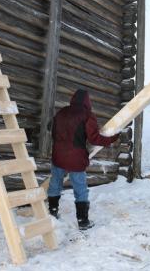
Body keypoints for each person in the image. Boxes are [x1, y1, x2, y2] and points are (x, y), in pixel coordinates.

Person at [47, 89, 118, 230]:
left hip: (58, 155)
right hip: (76, 157)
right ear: (87, 101)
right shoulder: (87, 115)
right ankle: (83, 221)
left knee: (55, 183)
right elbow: (94, 139)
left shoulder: (61, 112)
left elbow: (51, 129)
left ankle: (52, 213)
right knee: (80, 188)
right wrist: (112, 138)